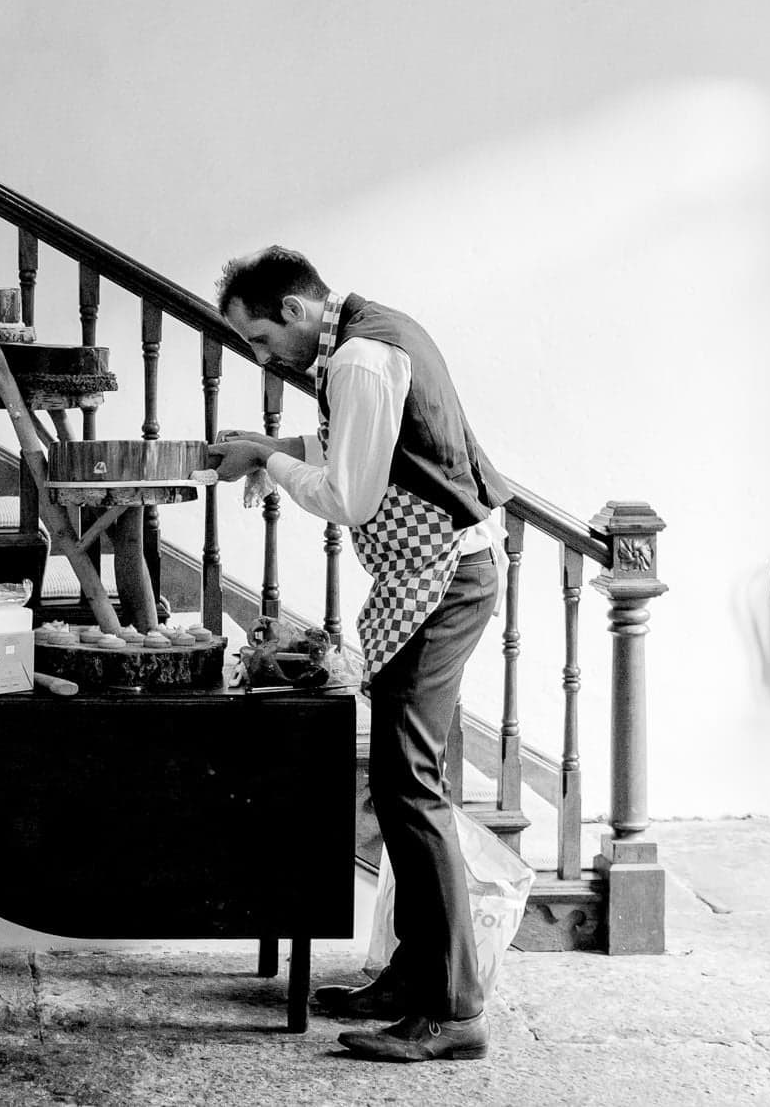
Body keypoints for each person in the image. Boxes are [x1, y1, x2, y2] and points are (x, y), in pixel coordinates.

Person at [207, 246, 512, 1064]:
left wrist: (272, 463)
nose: (264, 358)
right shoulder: (362, 342)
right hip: (437, 573)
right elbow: (359, 449)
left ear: (299, 312)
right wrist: (270, 447)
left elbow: (351, 496)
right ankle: (415, 978)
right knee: (408, 783)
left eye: (263, 339)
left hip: (446, 578)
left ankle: (453, 1010)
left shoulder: (361, 360)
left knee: (410, 788)